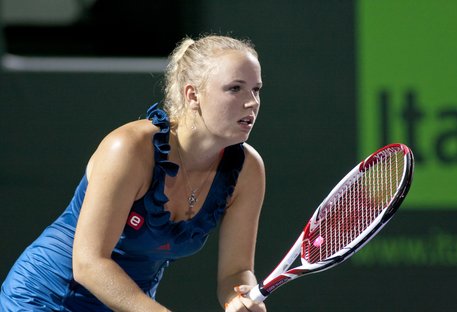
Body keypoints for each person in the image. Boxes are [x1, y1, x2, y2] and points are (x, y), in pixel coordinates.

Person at [0, 34, 267, 312]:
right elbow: (89, 264)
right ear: (192, 95)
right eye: (235, 88)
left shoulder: (248, 170)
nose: (252, 102)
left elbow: (235, 271)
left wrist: (239, 297)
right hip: (42, 299)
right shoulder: (128, 149)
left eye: (256, 89)